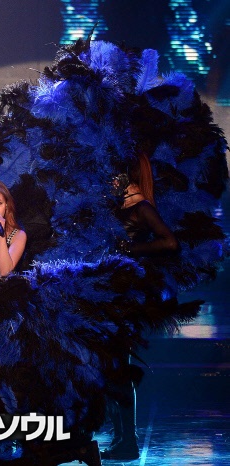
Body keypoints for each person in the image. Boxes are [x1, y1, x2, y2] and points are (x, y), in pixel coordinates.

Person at [102, 153, 179, 460]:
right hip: (111, 292)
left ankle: (128, 441)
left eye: (116, 176)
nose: (111, 181)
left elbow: (170, 243)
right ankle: (122, 438)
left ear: (128, 177)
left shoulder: (142, 207)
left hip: (126, 297)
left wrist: (131, 248)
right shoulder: (118, 207)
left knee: (119, 367)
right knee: (111, 367)